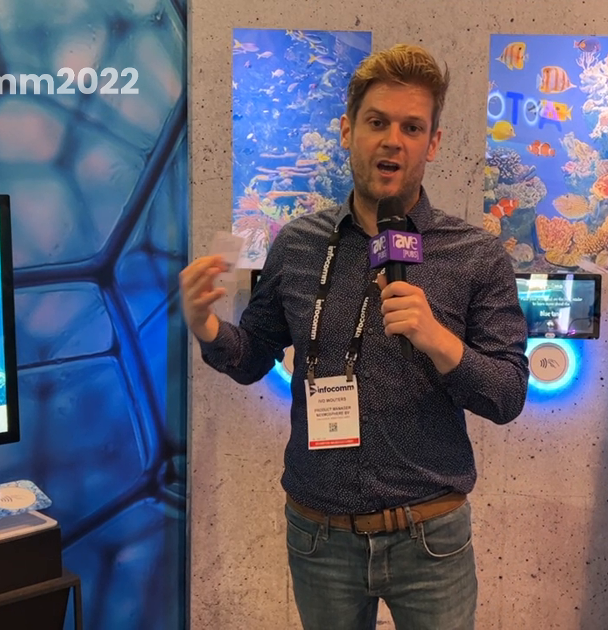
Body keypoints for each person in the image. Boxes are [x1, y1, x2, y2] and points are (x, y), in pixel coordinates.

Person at [180, 43, 529, 629]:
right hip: (320, 536)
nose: (393, 140)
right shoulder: (298, 243)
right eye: (377, 122)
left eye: (412, 127)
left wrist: (439, 340)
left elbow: (507, 395)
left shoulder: (476, 254)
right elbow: (254, 356)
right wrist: (207, 327)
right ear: (348, 131)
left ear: (433, 143)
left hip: (431, 537)